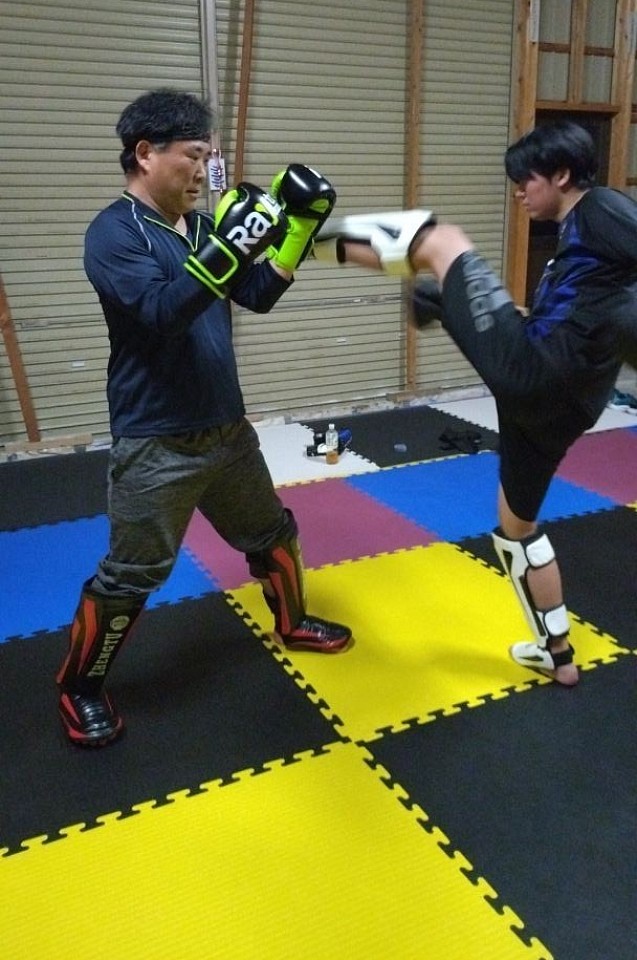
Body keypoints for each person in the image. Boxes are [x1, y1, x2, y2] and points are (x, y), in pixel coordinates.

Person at [56, 88, 351, 748]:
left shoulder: (200, 226)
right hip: (155, 439)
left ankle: (292, 622)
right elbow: (163, 312)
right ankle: (78, 687)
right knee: (131, 575)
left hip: (227, 429)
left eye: (208, 157)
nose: (204, 169)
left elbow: (257, 294)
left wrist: (295, 230)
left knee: (271, 533)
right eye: (193, 155)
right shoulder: (112, 234)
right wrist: (233, 242)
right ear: (146, 154)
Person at [313, 119, 637, 687]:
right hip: (562, 407)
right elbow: (566, 323)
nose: (518, 193)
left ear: (562, 175)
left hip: (539, 377)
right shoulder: (579, 249)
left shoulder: (600, 208)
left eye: (526, 180)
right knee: (516, 528)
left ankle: (307, 242)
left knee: (441, 240)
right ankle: (557, 654)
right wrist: (453, 309)